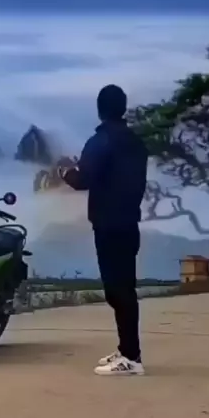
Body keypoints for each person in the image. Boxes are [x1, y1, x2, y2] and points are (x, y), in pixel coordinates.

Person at [59, 84, 148, 376]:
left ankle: (131, 358)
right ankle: (127, 350)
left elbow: (83, 179)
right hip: (128, 221)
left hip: (108, 223)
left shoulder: (101, 140)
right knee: (123, 288)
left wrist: (64, 172)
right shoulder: (136, 141)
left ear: (100, 109)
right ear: (123, 107)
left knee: (117, 290)